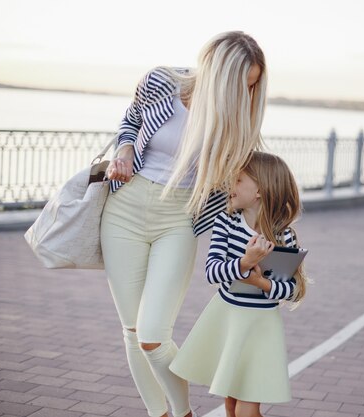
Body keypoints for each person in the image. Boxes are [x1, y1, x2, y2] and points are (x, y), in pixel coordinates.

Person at [100, 31, 267, 417]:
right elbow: (129, 125)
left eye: (253, 86)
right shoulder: (160, 82)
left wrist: (267, 226)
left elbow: (245, 187)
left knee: (153, 337)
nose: (246, 93)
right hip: (124, 208)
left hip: (178, 218)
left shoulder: (237, 124)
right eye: (242, 83)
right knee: (131, 331)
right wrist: (123, 154)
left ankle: (182, 411)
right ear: (220, 73)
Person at [170, 151, 310, 417]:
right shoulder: (226, 222)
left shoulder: (283, 236)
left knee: (247, 410)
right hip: (227, 318)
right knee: (232, 406)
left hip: (259, 327)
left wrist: (261, 283)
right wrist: (245, 263)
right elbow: (212, 273)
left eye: (238, 180)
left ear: (260, 190)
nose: (229, 186)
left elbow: (292, 290)